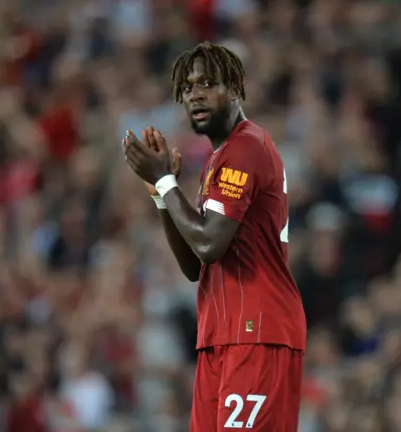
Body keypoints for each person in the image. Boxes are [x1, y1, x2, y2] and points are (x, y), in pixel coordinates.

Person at [122, 42, 307, 431]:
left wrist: (167, 180)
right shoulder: (219, 159)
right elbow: (194, 264)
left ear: (236, 89)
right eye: (188, 88)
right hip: (220, 334)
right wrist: (160, 192)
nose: (196, 94)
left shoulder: (246, 148)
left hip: (256, 332)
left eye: (209, 82)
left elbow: (209, 243)